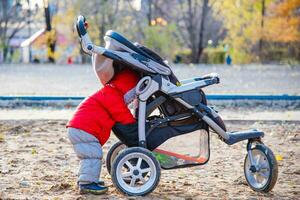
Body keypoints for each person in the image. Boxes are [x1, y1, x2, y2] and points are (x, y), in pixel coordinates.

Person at [67, 52, 140, 195]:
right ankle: (87, 183)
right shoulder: (112, 95)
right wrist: (133, 124)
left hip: (80, 127)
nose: (130, 101)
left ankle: (87, 179)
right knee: (92, 155)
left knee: (89, 156)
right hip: (83, 129)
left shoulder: (108, 92)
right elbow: (121, 113)